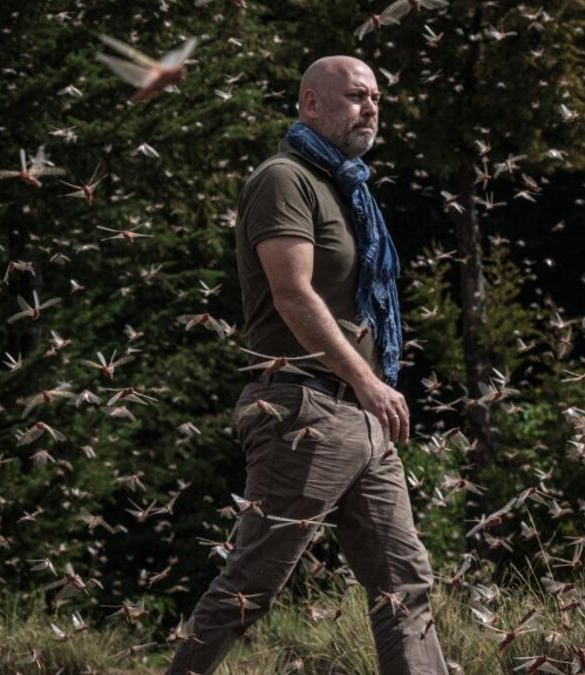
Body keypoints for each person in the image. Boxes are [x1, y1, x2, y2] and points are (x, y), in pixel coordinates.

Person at [166, 55, 449, 675]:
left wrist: (366, 389)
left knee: (405, 583)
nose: (370, 108)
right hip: (304, 406)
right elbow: (293, 295)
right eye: (355, 96)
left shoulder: (347, 189)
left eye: (375, 97)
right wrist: (367, 379)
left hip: (359, 414)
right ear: (311, 103)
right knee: (252, 586)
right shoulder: (284, 179)